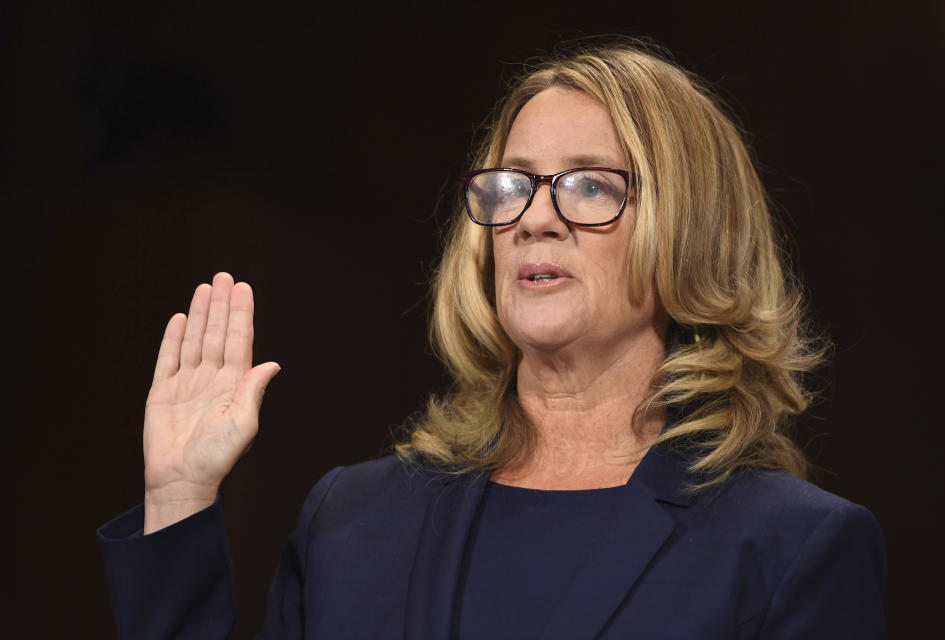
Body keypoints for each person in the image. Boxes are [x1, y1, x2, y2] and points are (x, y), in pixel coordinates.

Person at [98, 40, 887, 639]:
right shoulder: (351, 519)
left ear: (695, 233)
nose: (534, 218)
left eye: (590, 185)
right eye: (513, 184)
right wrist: (178, 499)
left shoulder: (793, 546)